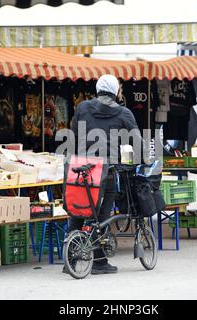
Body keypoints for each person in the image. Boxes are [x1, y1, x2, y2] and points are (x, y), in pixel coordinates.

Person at [67, 74, 141, 274]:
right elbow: (137, 142)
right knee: (102, 215)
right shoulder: (124, 113)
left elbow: (72, 135)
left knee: (79, 209)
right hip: (106, 170)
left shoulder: (82, 108)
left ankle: (71, 259)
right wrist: (134, 160)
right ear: (115, 90)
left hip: (81, 167)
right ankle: (98, 261)